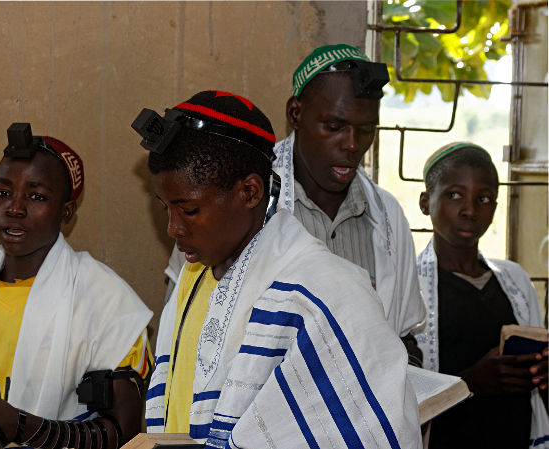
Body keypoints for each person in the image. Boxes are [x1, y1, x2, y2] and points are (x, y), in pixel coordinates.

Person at [134, 91, 422, 448]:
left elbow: (374, 434)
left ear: (250, 192)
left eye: (189, 210)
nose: (173, 229)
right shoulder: (191, 281)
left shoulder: (328, 293)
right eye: (166, 209)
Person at [0, 125, 153, 449]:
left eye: (36, 196)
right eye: (3, 192)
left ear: (67, 211)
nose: (15, 208)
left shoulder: (106, 304)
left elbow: (122, 434)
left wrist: (21, 428)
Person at [272, 44, 425, 355]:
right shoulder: (246, 204)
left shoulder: (388, 219)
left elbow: (406, 336)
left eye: (366, 130)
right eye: (334, 127)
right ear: (295, 114)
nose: (352, 145)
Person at [414, 142, 549, 449]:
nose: (470, 210)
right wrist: (469, 383)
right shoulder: (409, 285)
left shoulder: (514, 280)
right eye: (454, 195)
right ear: (425, 202)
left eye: (484, 198)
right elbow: (396, 390)